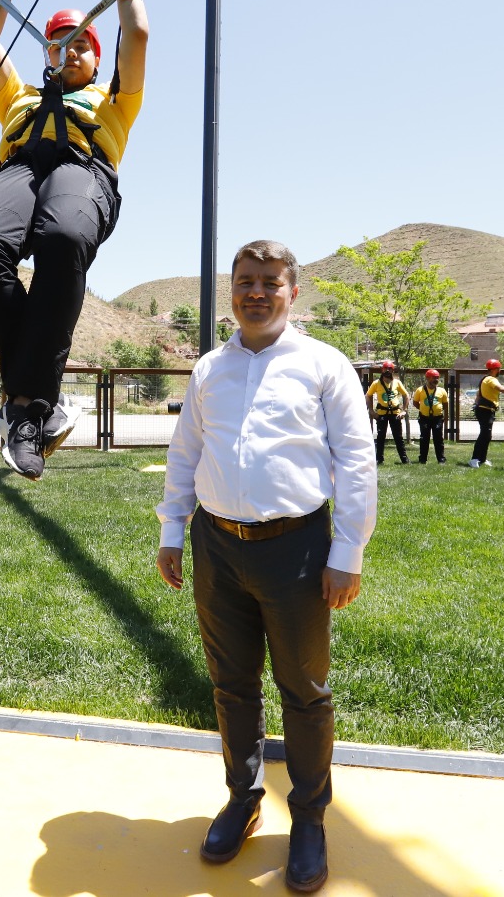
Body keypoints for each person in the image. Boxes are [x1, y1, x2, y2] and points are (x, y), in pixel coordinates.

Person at [155, 240, 375, 893]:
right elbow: (185, 453)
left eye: (269, 282)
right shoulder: (209, 370)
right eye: (244, 281)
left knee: (304, 691)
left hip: (298, 551)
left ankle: (307, 818)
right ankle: (244, 798)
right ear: (232, 290)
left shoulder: (324, 365)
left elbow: (357, 462)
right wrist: (173, 529)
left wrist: (347, 552)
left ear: (292, 291)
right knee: (231, 685)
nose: (255, 292)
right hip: (217, 549)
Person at [0, 0, 149, 481]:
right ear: (46, 51)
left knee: (62, 238)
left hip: (83, 170)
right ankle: (40, 395)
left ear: (93, 55)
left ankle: (28, 410)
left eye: (83, 43)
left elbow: (135, 37)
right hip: (19, 169)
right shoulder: (20, 97)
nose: (71, 50)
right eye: (60, 42)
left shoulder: (113, 100)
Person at [468, 359, 504, 468]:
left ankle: (482, 459)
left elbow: (479, 394)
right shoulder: (491, 379)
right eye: (499, 369)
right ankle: (474, 459)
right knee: (484, 434)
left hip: (485, 410)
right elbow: (500, 388)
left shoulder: (484, 379)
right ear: (495, 369)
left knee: (487, 435)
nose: (499, 371)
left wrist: (476, 404)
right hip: (485, 410)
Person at [365, 361, 410, 465]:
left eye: (390, 369)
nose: (388, 371)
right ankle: (379, 459)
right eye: (386, 369)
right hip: (381, 413)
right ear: (382, 370)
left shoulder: (397, 382)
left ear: (393, 370)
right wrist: (371, 411)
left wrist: (404, 410)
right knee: (380, 437)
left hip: (395, 413)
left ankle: (404, 459)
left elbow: (406, 395)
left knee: (398, 437)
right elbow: (368, 395)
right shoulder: (376, 383)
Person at [414, 368, 449, 463]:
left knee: (438, 439)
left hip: (437, 418)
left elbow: (445, 404)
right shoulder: (420, 390)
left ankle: (441, 459)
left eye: (437, 377)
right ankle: (422, 459)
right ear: (428, 378)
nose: (436, 380)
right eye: (434, 378)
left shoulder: (442, 391)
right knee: (424, 439)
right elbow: (415, 402)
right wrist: (423, 409)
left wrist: (439, 412)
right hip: (424, 418)